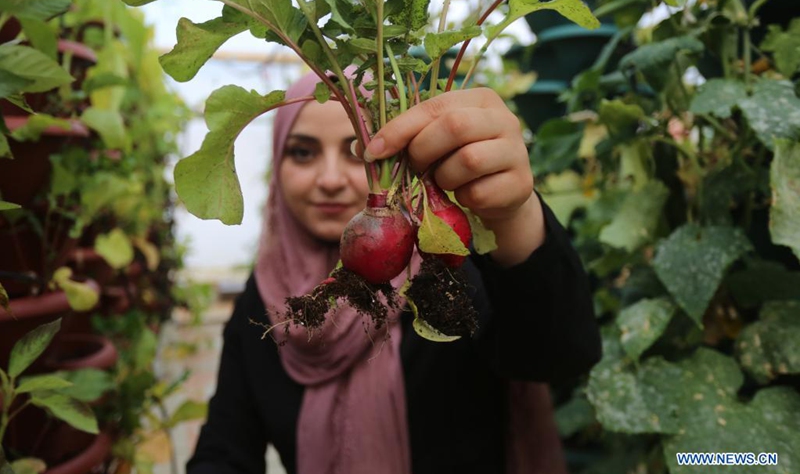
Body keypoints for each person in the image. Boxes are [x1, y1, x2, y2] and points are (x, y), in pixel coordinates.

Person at [186, 70, 602, 474]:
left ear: (398, 152)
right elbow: (224, 451)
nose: (329, 179)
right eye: (303, 152)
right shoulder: (263, 303)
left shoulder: (449, 271)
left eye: (356, 150)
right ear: (277, 163)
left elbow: (558, 355)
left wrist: (515, 216)